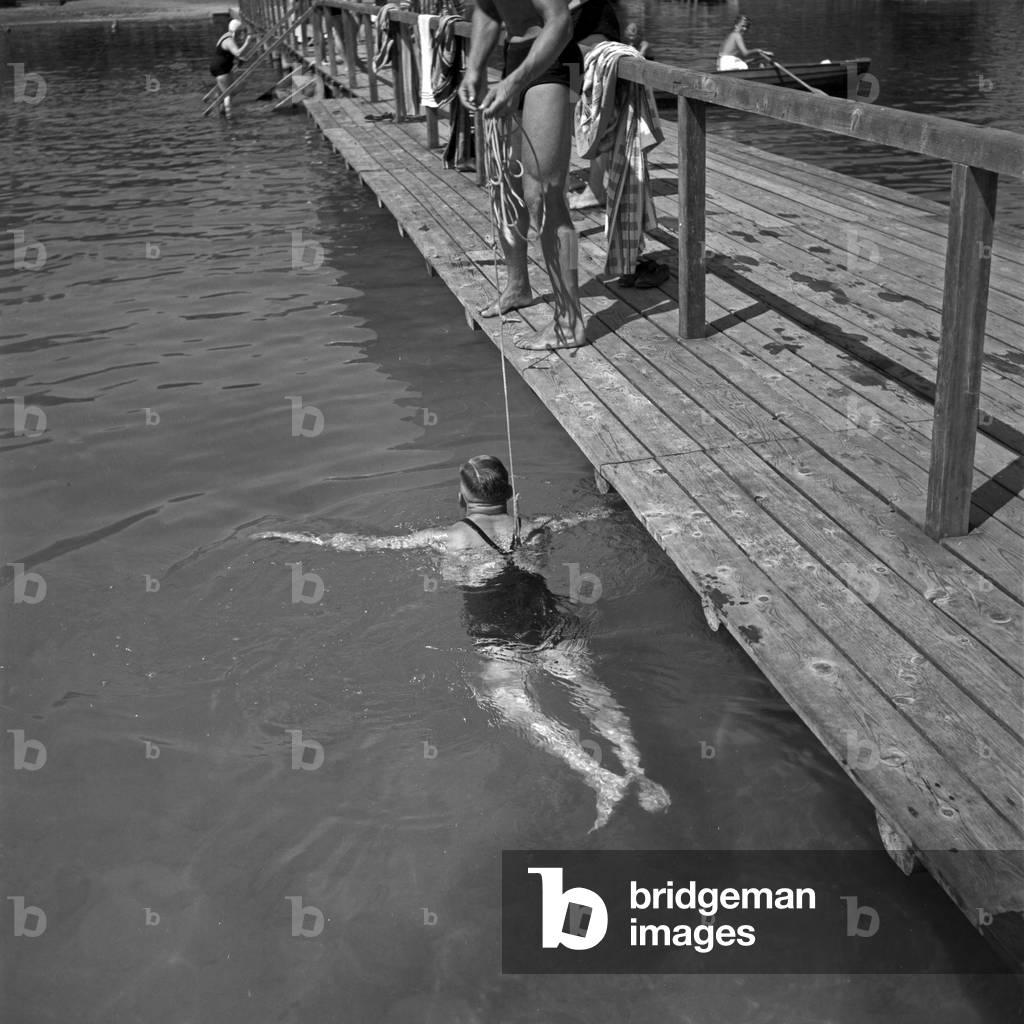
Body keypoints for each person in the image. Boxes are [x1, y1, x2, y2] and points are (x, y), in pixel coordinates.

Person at [253, 454, 670, 830]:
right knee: (590, 690)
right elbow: (590, 516)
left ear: (461, 497)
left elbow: (366, 545)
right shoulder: (536, 525)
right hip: (551, 621)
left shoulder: (450, 537)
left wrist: (299, 537)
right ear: (510, 492)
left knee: (514, 705)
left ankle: (598, 776)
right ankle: (637, 768)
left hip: (497, 635)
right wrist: (622, 504)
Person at [458, 0, 588, 350]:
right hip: (515, 55)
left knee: (545, 194)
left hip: (557, 58)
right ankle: (518, 286)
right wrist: (474, 67)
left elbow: (560, 22)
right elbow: (487, 10)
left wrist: (514, 81)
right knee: (506, 185)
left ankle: (569, 319)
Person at [567, 0, 621, 213]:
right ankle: (585, 185)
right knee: (575, 118)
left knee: (588, 118)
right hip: (577, 47)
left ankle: (596, 188)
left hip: (587, 48)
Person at [209, 19, 252, 116]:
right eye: (240, 31)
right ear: (235, 31)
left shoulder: (226, 36)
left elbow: (228, 54)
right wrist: (247, 42)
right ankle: (228, 116)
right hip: (221, 69)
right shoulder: (229, 41)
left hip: (218, 67)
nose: (241, 34)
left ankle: (221, 110)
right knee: (229, 93)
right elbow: (238, 52)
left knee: (223, 92)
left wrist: (240, 60)